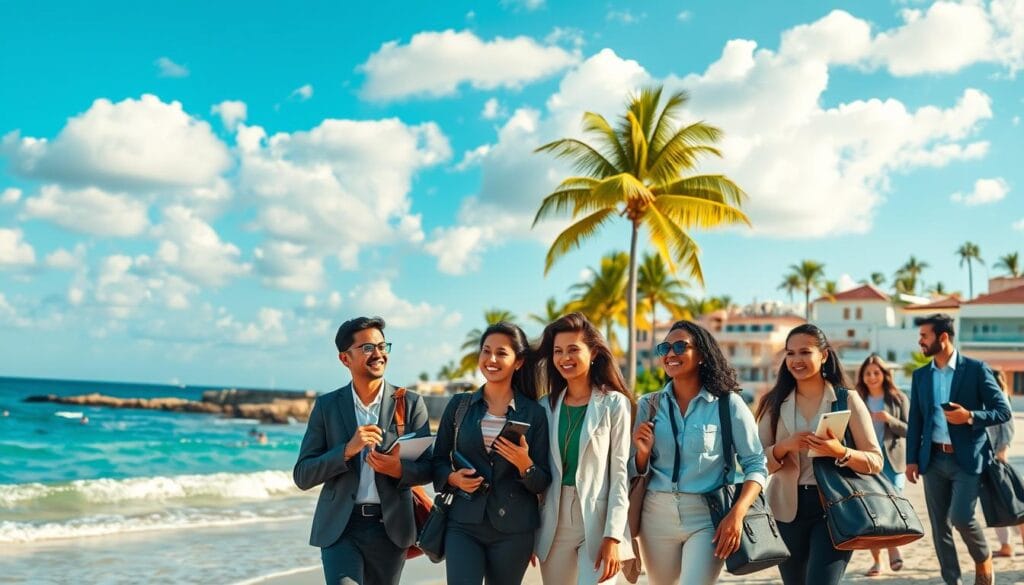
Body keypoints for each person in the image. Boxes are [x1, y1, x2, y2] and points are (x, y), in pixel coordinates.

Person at [293, 316, 433, 585]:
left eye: (382, 346)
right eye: (368, 348)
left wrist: (398, 469)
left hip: (391, 528)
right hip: (340, 528)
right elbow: (303, 475)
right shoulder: (327, 406)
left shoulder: (411, 403)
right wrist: (346, 451)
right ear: (345, 359)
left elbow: (429, 468)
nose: (378, 354)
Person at [631, 320, 768, 585]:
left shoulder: (729, 404)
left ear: (702, 355)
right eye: (665, 348)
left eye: (681, 346)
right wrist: (642, 454)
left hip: (709, 518)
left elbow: (756, 464)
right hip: (655, 515)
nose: (671, 354)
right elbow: (633, 470)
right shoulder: (648, 405)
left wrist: (736, 514)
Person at [755, 324, 883, 585]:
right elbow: (756, 463)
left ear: (824, 355)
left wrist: (841, 452)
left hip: (835, 508)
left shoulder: (847, 399)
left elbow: (875, 461)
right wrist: (784, 447)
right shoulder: (774, 402)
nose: (796, 360)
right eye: (790, 353)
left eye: (805, 352)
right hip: (785, 510)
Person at [431, 322, 552, 585]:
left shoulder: (535, 413)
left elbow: (543, 481)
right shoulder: (459, 406)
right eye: (486, 351)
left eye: (501, 353)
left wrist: (525, 465)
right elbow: (438, 460)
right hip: (463, 524)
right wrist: (453, 479)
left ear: (518, 362)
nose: (491, 359)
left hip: (515, 530)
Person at [905, 313, 1011, 585]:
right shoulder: (921, 376)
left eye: (924, 336)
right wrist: (912, 459)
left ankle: (983, 555)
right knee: (940, 527)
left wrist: (971, 417)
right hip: (933, 459)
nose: (920, 341)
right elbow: (916, 418)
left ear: (943, 337)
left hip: (968, 459)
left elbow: (1002, 411)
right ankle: (952, 581)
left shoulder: (976, 369)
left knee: (962, 517)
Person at [534, 313, 634, 584]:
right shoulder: (545, 407)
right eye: (558, 351)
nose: (564, 358)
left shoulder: (614, 404)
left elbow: (620, 474)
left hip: (598, 520)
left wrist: (613, 536)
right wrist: (532, 532)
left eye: (573, 350)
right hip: (553, 523)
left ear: (593, 354)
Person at [855, 354, 910, 576]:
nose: (872, 377)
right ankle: (881, 559)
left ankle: (893, 548)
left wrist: (889, 419)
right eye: (868, 373)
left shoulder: (898, 398)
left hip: (893, 462)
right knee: (873, 512)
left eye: (876, 372)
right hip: (865, 461)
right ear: (863, 376)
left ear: (885, 374)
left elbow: (910, 430)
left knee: (892, 507)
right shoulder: (856, 399)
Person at [988, 369, 1024, 558]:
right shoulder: (987, 399)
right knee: (995, 504)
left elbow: (1008, 427)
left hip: (997, 460)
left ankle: (1010, 544)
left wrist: (1002, 450)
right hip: (987, 459)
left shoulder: (999, 398)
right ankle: (1006, 546)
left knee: (1012, 503)